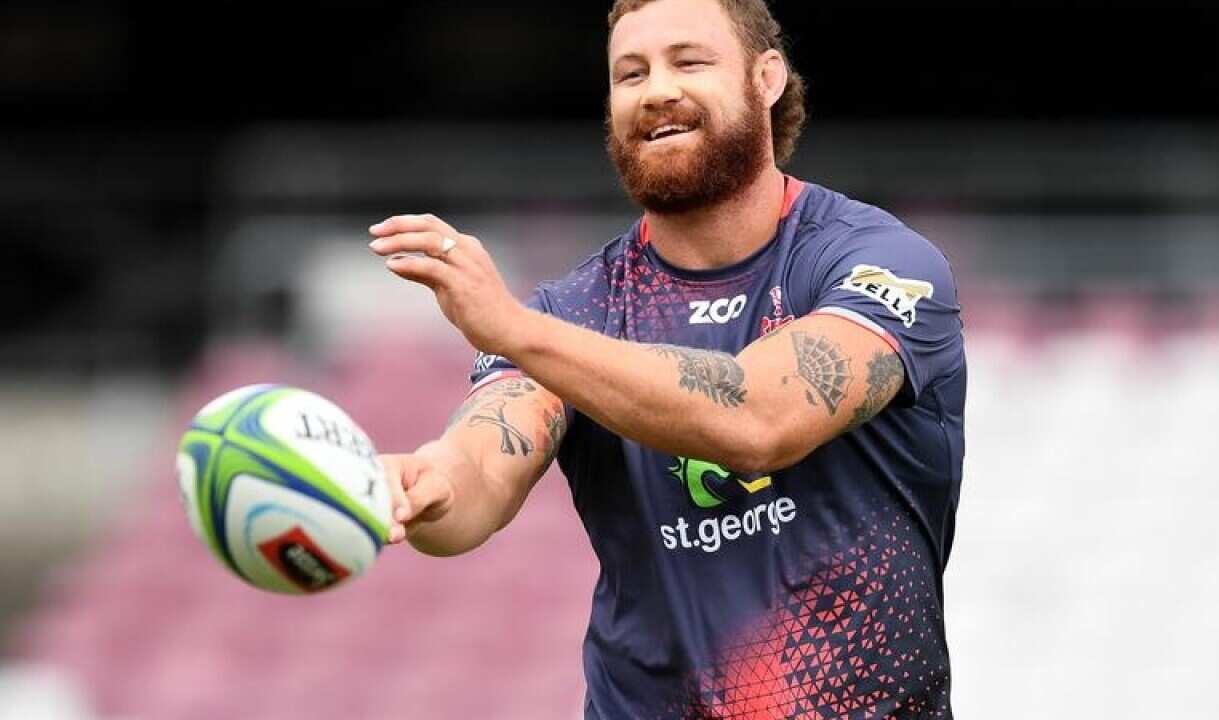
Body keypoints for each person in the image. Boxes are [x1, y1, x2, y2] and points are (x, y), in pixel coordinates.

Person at [368, 0, 966, 716]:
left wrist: (513, 329)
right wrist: (428, 485)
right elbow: (478, 482)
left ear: (766, 78)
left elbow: (762, 419)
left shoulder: (880, 262)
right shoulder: (574, 312)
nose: (656, 90)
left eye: (689, 62)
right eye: (631, 74)